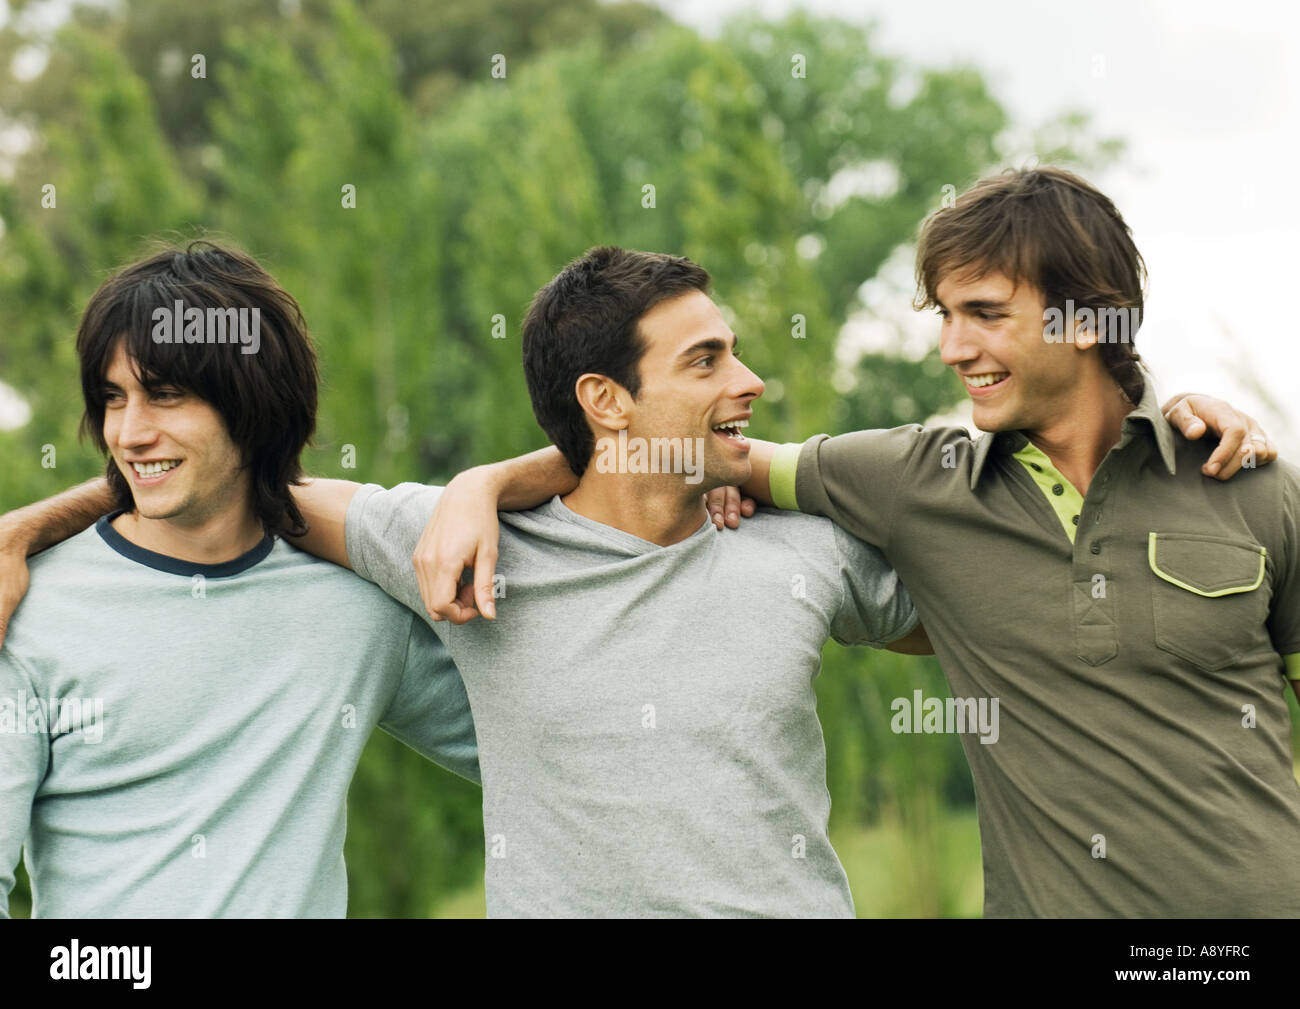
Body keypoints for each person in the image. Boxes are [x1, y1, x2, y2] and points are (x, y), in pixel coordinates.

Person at [417, 171, 1295, 918]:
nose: (953, 348)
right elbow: (651, 448)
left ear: (1088, 319)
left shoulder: (1249, 482)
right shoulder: (914, 479)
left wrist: (1188, 407)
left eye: (984, 314)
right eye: (945, 315)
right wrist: (481, 484)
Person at [0, 242, 478, 918]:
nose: (130, 432)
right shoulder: (25, 608)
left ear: (251, 403)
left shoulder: (357, 606)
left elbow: (533, 752)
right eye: (113, 399)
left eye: (164, 396)